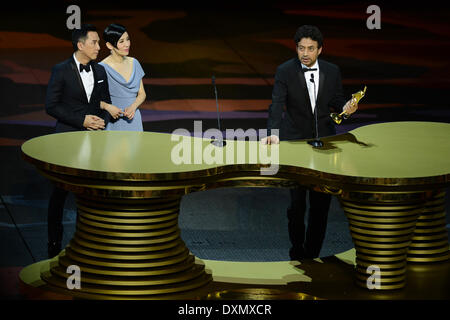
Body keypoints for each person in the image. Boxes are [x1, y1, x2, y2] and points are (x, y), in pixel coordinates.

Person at [261, 25, 358, 260]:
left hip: (323, 143)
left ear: (320, 50)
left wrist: (347, 108)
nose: (305, 53)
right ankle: (296, 250)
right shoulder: (284, 71)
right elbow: (276, 104)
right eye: (301, 48)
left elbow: (336, 101)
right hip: (294, 143)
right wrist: (273, 132)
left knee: (320, 205)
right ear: (296, 48)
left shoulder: (332, 71)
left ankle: (312, 254)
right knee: (296, 205)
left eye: (311, 49)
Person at [45, 24, 111, 258]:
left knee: (91, 195)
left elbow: (105, 102)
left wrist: (99, 121)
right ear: (80, 44)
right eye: (94, 42)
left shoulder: (101, 71)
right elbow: (51, 106)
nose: (99, 46)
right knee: (59, 194)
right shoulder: (61, 70)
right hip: (67, 140)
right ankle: (54, 244)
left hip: (94, 141)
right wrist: (82, 121)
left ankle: (88, 245)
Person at [99, 23, 146, 131]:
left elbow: (142, 93)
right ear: (110, 45)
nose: (127, 44)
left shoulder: (134, 63)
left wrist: (133, 106)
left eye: (128, 39)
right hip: (113, 121)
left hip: (134, 119)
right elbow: (92, 100)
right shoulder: (101, 68)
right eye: (121, 41)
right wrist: (108, 107)